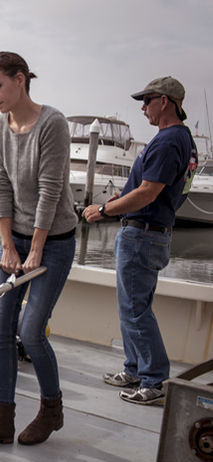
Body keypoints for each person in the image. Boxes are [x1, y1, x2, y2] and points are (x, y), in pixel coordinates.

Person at [0, 52, 77, 448]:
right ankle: (1, 419)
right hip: (16, 241)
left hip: (55, 242)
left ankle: (51, 409)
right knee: (1, 330)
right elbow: (0, 185)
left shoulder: (53, 123)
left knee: (31, 332)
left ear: (20, 80)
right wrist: (8, 246)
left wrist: (36, 250)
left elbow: (50, 189)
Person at [82, 76, 197, 406]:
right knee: (131, 306)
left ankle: (155, 380)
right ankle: (134, 368)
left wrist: (104, 209)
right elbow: (157, 188)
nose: (143, 108)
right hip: (150, 234)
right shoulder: (181, 139)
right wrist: (124, 198)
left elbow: (149, 193)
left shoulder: (168, 140)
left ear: (165, 101)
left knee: (135, 310)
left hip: (142, 235)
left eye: (146, 101)